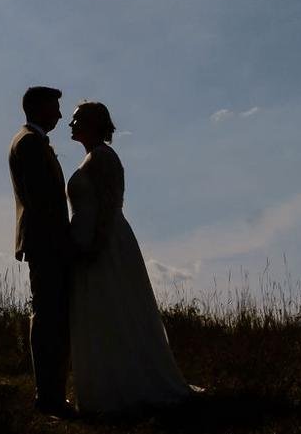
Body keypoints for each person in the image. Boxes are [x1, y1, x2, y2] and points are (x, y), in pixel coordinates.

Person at [66, 101, 196, 417]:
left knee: (114, 309)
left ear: (94, 124)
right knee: (98, 313)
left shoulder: (104, 158)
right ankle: (104, 385)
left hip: (105, 244)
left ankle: (125, 386)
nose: (71, 123)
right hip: (89, 242)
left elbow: (110, 205)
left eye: (77, 119)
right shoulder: (92, 157)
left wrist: (96, 245)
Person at [8, 85, 74, 417]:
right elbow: (42, 201)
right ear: (38, 109)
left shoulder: (30, 142)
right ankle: (48, 396)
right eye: (55, 108)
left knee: (52, 314)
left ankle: (50, 392)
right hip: (47, 242)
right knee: (49, 316)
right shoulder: (30, 143)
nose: (60, 115)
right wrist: (63, 242)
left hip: (45, 241)